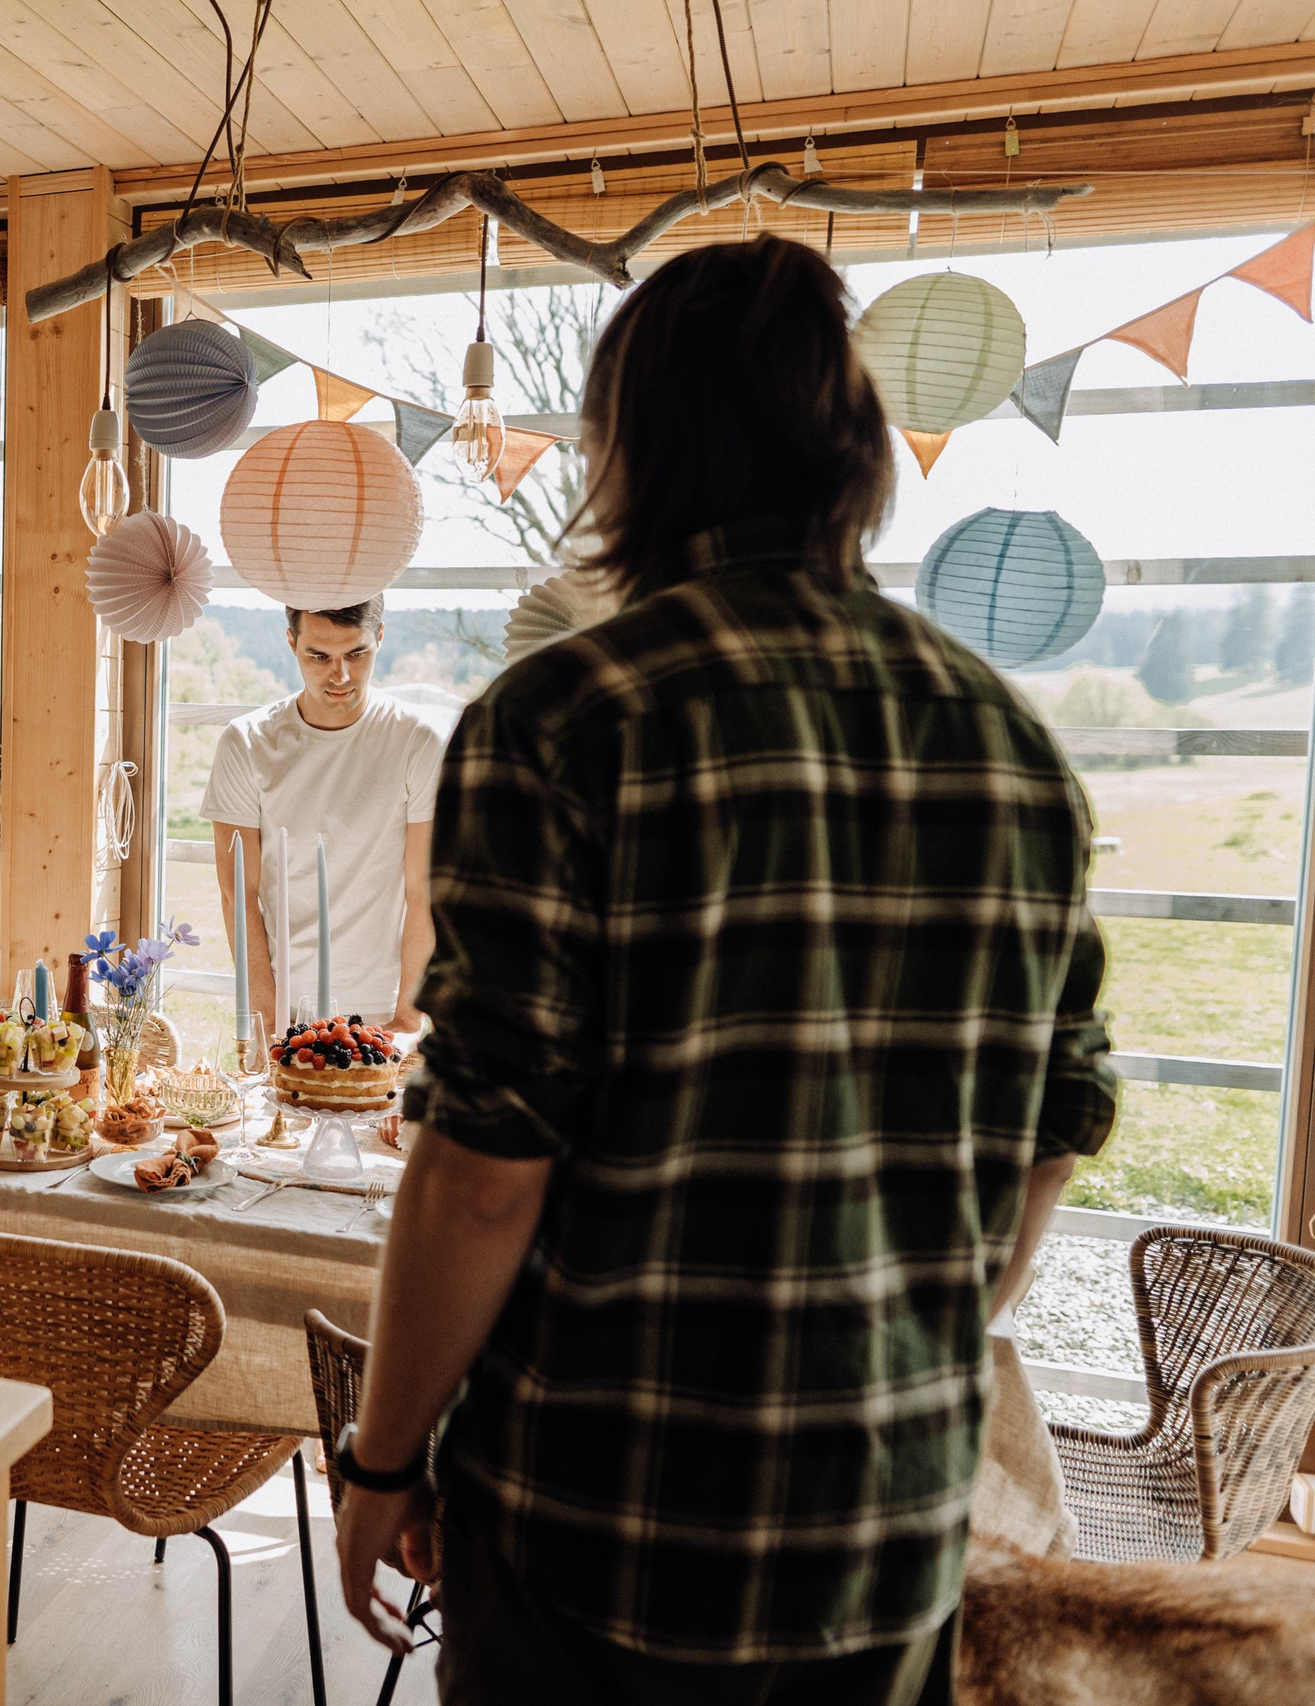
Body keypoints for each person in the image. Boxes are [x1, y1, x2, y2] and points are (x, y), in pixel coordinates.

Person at [334, 237, 1118, 1706]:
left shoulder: (563, 717)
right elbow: (1050, 1137)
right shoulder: (1018, 752)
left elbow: (486, 1163)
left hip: (602, 1526)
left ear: (630, 454)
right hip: (889, 1531)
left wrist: (382, 1458)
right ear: (860, 455)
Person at [204, 598, 440, 1038]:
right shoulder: (246, 742)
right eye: (319, 656)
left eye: (356, 653)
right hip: (285, 1007)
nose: (341, 676)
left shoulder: (418, 742)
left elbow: (422, 889)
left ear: (380, 638)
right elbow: (237, 892)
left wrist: (407, 1017)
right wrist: (270, 1017)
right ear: (292, 643)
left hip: (383, 1010)